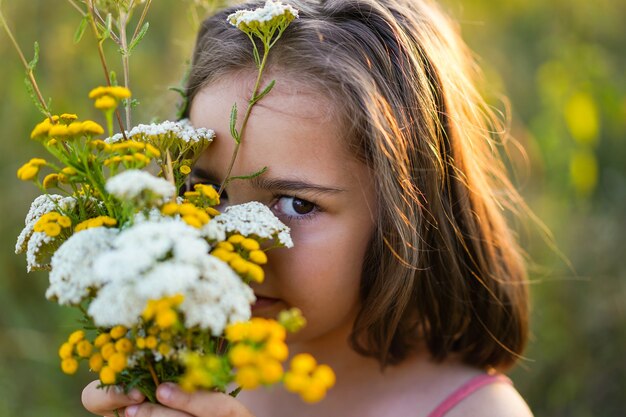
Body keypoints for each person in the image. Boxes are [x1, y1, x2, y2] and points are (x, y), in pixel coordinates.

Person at [82, 0, 534, 416]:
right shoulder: (182, 369)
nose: (234, 243)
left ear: (408, 212)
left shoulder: (477, 411)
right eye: (210, 194)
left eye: (296, 204)